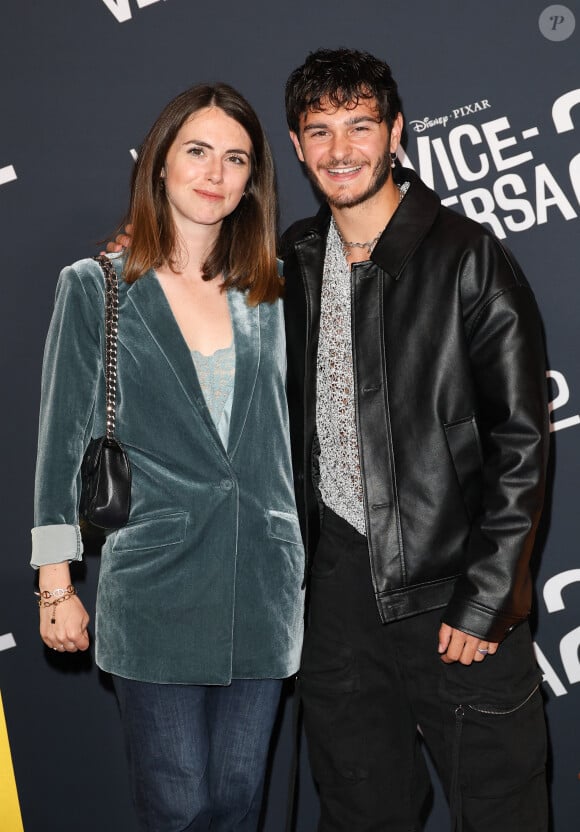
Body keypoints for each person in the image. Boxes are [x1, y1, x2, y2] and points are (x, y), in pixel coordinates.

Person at [280, 48, 550, 831]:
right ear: (297, 147)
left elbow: (522, 444)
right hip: (333, 599)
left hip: (452, 593)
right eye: (319, 130)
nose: (340, 150)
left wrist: (489, 598)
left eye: (360, 125)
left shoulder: (468, 258)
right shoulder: (291, 261)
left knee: (502, 809)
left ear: (396, 131)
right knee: (360, 810)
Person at [31, 82, 305, 832]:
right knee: (178, 808)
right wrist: (56, 582)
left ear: (253, 182)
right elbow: (60, 443)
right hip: (155, 589)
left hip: (262, 590)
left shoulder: (274, 291)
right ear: (159, 164)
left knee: (239, 804)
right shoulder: (97, 289)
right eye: (197, 150)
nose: (215, 172)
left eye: (236, 158)